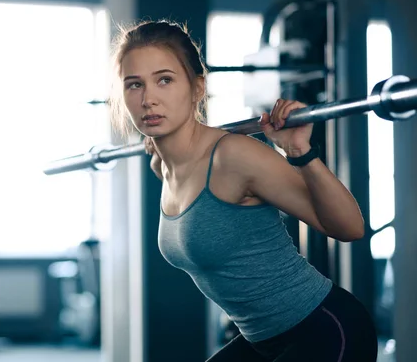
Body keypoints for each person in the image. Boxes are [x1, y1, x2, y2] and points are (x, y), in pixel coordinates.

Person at [108, 19, 378, 361]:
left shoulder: (234, 156)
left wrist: (300, 153)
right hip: (260, 340)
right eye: (135, 85)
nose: (149, 99)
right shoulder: (162, 166)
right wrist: (161, 149)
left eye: (164, 80)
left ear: (197, 88)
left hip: (323, 329)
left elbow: (350, 228)